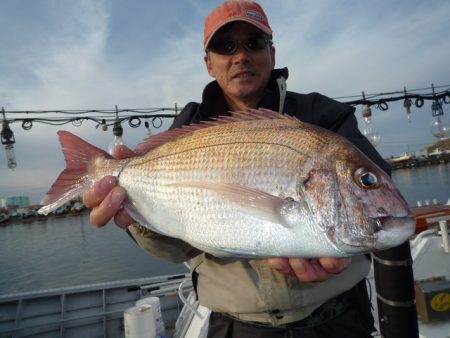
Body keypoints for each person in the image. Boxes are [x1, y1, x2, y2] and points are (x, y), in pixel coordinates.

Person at [84, 1, 390, 337]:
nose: (241, 56)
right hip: (236, 326)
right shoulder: (188, 127)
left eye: (253, 43)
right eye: (225, 46)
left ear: (272, 54)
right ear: (208, 64)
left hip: (339, 318)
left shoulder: (323, 116)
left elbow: (376, 201)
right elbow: (177, 248)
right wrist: (136, 216)